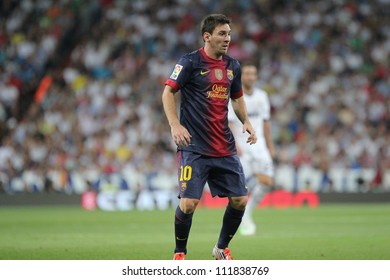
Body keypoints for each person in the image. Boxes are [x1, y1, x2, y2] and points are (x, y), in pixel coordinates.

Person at [161, 14, 257, 260]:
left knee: (240, 200)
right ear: (207, 36)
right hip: (193, 147)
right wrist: (175, 125)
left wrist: (246, 120)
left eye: (229, 34)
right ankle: (180, 252)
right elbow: (168, 93)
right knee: (189, 203)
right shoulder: (190, 62)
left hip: (224, 146)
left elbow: (236, 98)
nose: (227, 39)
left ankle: (221, 247)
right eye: (222, 34)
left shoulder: (232, 66)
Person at [228, 64, 275, 236]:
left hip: (260, 145)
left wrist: (270, 146)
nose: (250, 76)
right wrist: (235, 144)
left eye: (253, 74)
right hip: (242, 148)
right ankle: (238, 219)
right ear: (242, 76)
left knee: (268, 181)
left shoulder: (262, 96)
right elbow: (230, 122)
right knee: (240, 188)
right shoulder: (234, 97)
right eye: (247, 73)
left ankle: (247, 213)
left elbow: (266, 122)